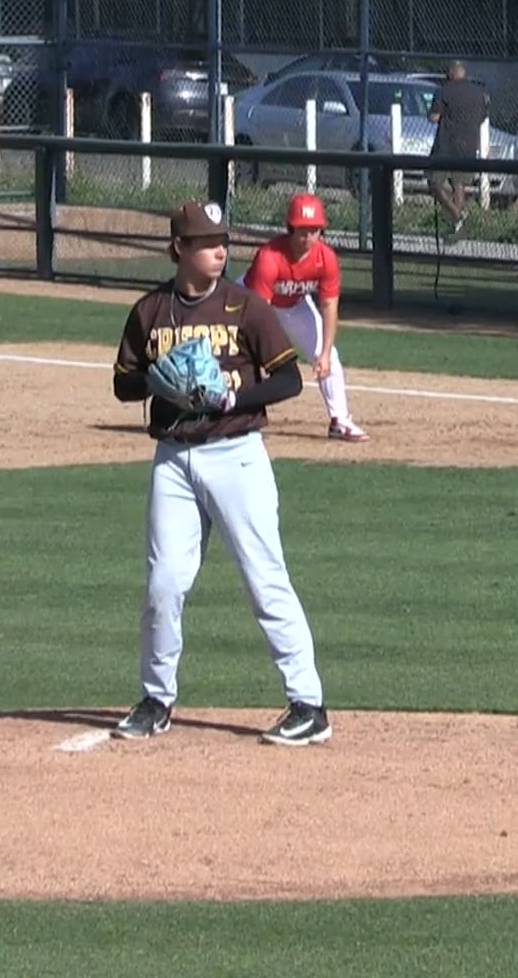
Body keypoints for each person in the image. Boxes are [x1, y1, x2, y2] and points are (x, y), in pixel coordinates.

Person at [108, 199, 332, 747]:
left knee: (264, 578)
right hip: (173, 459)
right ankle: (156, 698)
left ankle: (308, 704)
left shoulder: (246, 307)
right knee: (163, 585)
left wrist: (232, 395)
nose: (219, 250)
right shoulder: (149, 312)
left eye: (222, 241)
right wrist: (159, 383)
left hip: (237, 456)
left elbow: (288, 383)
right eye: (207, 243)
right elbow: (123, 383)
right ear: (178, 250)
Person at [241, 192, 369, 441]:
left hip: (294, 305)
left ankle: (339, 420)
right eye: (301, 230)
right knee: (237, 357)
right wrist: (262, 357)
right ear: (289, 229)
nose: (308, 236)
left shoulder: (326, 258)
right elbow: (260, 314)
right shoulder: (269, 258)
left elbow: (329, 305)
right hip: (250, 304)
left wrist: (323, 352)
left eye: (314, 229)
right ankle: (235, 416)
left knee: (329, 356)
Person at [426, 61, 488, 239]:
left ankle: (457, 215)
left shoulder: (444, 90)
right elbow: (483, 117)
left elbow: (434, 116)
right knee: (458, 185)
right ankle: (457, 228)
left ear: (452, 72)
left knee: (434, 183)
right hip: (468, 145)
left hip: (446, 145)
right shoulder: (479, 93)